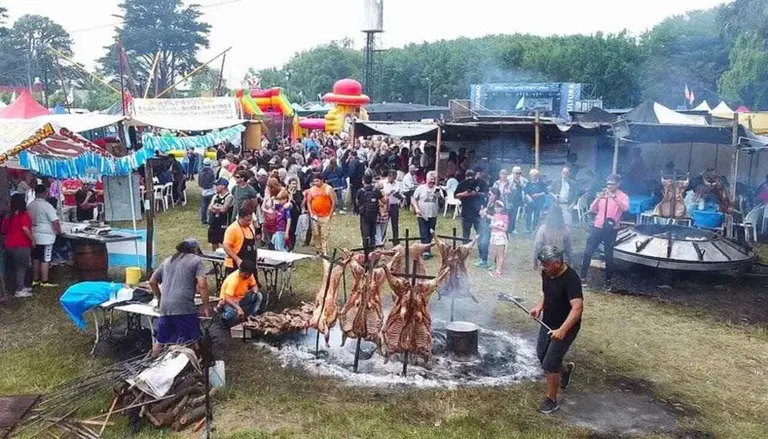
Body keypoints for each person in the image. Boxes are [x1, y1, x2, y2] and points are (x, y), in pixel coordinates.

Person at [529, 245, 583, 414]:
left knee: (551, 362)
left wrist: (562, 330)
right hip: (548, 322)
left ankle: (551, 400)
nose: (542, 268)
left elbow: (577, 308)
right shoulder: (547, 273)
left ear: (558, 263)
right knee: (541, 355)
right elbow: (547, 293)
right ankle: (566, 370)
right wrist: (539, 307)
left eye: (545, 264)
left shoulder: (571, 279)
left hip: (566, 326)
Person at [148, 239, 210, 354]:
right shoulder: (196, 260)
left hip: (165, 308)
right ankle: (195, 362)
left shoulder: (168, 260)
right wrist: (206, 307)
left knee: (160, 341)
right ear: (195, 249)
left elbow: (152, 281)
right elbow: (202, 285)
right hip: (184, 308)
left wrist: (160, 298)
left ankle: (152, 361)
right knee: (192, 340)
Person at [579, 174, 629, 290]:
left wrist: (613, 197)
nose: (609, 186)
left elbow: (625, 208)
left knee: (608, 255)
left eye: (612, 184)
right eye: (608, 184)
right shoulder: (602, 194)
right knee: (588, 252)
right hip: (598, 226)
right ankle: (582, 277)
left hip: (611, 229)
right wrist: (598, 198)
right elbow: (592, 209)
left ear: (618, 184)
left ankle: (608, 281)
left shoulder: (623, 196)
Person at [28, 185, 61, 287]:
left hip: (33, 234)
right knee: (45, 259)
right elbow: (55, 221)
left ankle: (35, 279)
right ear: (44, 193)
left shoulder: (30, 205)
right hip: (46, 237)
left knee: (35, 258)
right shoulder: (47, 206)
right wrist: (58, 231)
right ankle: (44, 281)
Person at [2, 193, 34, 298]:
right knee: (22, 267)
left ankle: (13, 286)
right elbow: (25, 228)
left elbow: (4, 230)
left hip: (9, 244)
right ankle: (19, 290)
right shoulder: (24, 214)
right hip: (21, 244)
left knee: (13, 267)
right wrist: (33, 240)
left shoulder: (8, 215)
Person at [216, 259, 263, 328]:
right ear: (241, 271)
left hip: (241, 297)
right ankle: (223, 316)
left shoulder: (249, 275)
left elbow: (254, 285)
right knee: (232, 314)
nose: (247, 276)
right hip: (228, 300)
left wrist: (255, 292)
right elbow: (227, 298)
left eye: (249, 274)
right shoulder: (233, 280)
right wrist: (238, 308)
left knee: (259, 295)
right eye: (246, 274)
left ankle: (251, 316)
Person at [411, 171, 442, 259]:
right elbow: (413, 198)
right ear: (427, 179)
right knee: (424, 232)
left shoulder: (437, 189)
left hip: (433, 214)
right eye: (431, 179)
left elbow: (441, 201)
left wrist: (439, 196)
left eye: (434, 179)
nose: (432, 181)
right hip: (422, 214)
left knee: (431, 232)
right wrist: (416, 208)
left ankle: (426, 249)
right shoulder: (421, 188)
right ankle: (426, 252)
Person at [534, 205, 573, 270]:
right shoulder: (566, 231)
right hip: (559, 264)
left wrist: (535, 262)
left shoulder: (543, 229)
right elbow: (569, 251)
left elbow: (537, 248)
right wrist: (570, 264)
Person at [305, 173, 336, 256]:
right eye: (314, 181)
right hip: (315, 216)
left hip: (325, 215)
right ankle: (318, 250)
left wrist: (330, 214)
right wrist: (311, 213)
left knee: (324, 234)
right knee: (316, 233)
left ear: (322, 180)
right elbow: (308, 202)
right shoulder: (311, 190)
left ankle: (324, 251)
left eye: (317, 181)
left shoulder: (328, 189)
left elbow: (333, 201)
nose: (315, 183)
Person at [222, 207, 258, 275]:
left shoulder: (250, 227)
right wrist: (237, 260)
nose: (249, 222)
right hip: (235, 264)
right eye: (247, 220)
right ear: (240, 218)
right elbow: (226, 247)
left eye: (251, 220)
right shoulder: (232, 229)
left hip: (250, 264)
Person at [455, 169, 486, 241]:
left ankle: (481, 247)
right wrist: (465, 194)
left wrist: (476, 193)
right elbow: (455, 195)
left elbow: (486, 193)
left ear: (475, 176)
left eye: (472, 177)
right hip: (466, 212)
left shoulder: (480, 182)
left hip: (478, 212)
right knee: (466, 234)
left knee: (480, 232)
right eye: (468, 177)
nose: (470, 179)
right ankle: (465, 246)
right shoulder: (462, 184)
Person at [356, 174, 383, 250]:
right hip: (374, 214)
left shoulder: (360, 191)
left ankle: (366, 249)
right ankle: (372, 249)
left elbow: (357, 202)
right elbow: (383, 200)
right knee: (373, 233)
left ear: (363, 181)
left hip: (364, 215)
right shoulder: (376, 190)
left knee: (365, 233)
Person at [207, 178, 234, 251]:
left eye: (217, 185)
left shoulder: (229, 197)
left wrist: (215, 207)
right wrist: (218, 208)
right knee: (213, 240)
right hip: (214, 221)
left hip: (224, 222)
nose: (215, 187)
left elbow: (224, 210)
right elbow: (210, 207)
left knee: (222, 240)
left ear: (223, 186)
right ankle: (214, 255)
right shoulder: (215, 196)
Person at [488, 196, 508, 277]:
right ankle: (497, 269)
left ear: (503, 208)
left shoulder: (504, 217)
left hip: (500, 237)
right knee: (496, 254)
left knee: (500, 255)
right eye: (496, 207)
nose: (497, 208)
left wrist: (496, 226)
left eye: (499, 207)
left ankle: (499, 271)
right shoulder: (495, 215)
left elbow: (505, 229)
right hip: (494, 236)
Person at [381, 170, 402, 245]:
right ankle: (381, 240)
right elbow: (381, 194)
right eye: (392, 178)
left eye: (394, 178)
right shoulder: (383, 183)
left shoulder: (397, 184)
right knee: (384, 224)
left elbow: (401, 195)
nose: (393, 180)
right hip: (386, 205)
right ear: (389, 176)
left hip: (394, 205)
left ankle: (395, 241)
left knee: (395, 224)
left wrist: (398, 195)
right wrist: (389, 193)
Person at [506, 166, 528, 234]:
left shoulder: (523, 180)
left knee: (515, 215)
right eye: (516, 173)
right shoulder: (508, 179)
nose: (518, 175)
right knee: (508, 215)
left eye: (520, 173)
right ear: (512, 172)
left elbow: (526, 188)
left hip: (518, 200)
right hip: (509, 199)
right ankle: (507, 228)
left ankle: (513, 228)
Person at [286, 177, 303, 251]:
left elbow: (300, 202)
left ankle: (292, 246)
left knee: (293, 230)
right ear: (289, 184)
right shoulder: (285, 192)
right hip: (287, 213)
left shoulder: (299, 192)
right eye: (293, 184)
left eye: (295, 184)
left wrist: (293, 200)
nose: (294, 185)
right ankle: (287, 244)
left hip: (295, 214)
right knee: (287, 229)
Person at [198, 158, 216, 225]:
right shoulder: (211, 171)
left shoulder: (200, 171)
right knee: (211, 206)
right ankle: (211, 220)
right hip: (211, 191)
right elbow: (214, 181)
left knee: (204, 206)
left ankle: (203, 219)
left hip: (204, 191)